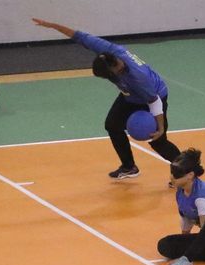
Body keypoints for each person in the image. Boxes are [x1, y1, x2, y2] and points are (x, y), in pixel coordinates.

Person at [32, 18, 182, 179]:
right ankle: (129, 167)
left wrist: (160, 127)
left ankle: (186, 172)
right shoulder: (107, 52)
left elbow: (154, 101)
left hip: (153, 96)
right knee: (112, 125)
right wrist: (54, 26)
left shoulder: (138, 77)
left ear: (115, 68)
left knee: (158, 141)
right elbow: (80, 37)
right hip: (130, 95)